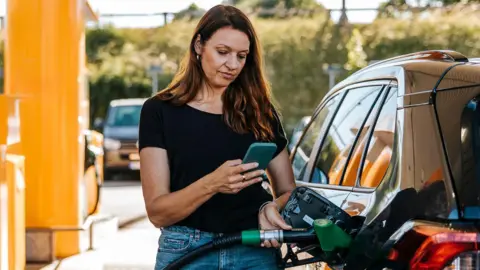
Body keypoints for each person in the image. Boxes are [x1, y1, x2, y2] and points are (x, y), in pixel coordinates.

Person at [138, 4, 296, 270]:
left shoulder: (260, 112)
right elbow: (158, 212)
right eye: (223, 52)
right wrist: (213, 183)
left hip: (253, 250)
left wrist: (271, 208)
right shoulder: (159, 111)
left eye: (241, 56)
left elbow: (288, 190)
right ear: (199, 45)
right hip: (186, 251)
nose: (232, 65)